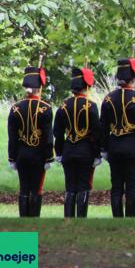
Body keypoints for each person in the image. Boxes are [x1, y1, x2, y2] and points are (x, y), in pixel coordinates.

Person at [100, 58, 135, 218]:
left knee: (116, 186)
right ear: (133, 79)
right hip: (133, 147)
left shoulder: (108, 98)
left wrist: (104, 148)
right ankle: (130, 219)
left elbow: (103, 127)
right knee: (132, 186)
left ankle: (117, 218)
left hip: (114, 146)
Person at [53, 66, 102, 218]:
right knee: (83, 187)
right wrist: (97, 154)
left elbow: (58, 132)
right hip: (85, 152)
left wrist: (59, 152)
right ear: (86, 86)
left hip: (68, 151)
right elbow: (96, 133)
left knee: (70, 187)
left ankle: (68, 219)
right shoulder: (91, 106)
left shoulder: (63, 105)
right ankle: (81, 220)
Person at [7, 66, 54, 217]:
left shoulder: (15, 108)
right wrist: (49, 157)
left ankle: (24, 222)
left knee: (24, 189)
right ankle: (33, 222)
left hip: (21, 155)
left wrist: (12, 157)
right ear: (39, 88)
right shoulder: (46, 108)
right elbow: (48, 137)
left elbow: (12, 137)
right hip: (39, 156)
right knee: (36, 189)